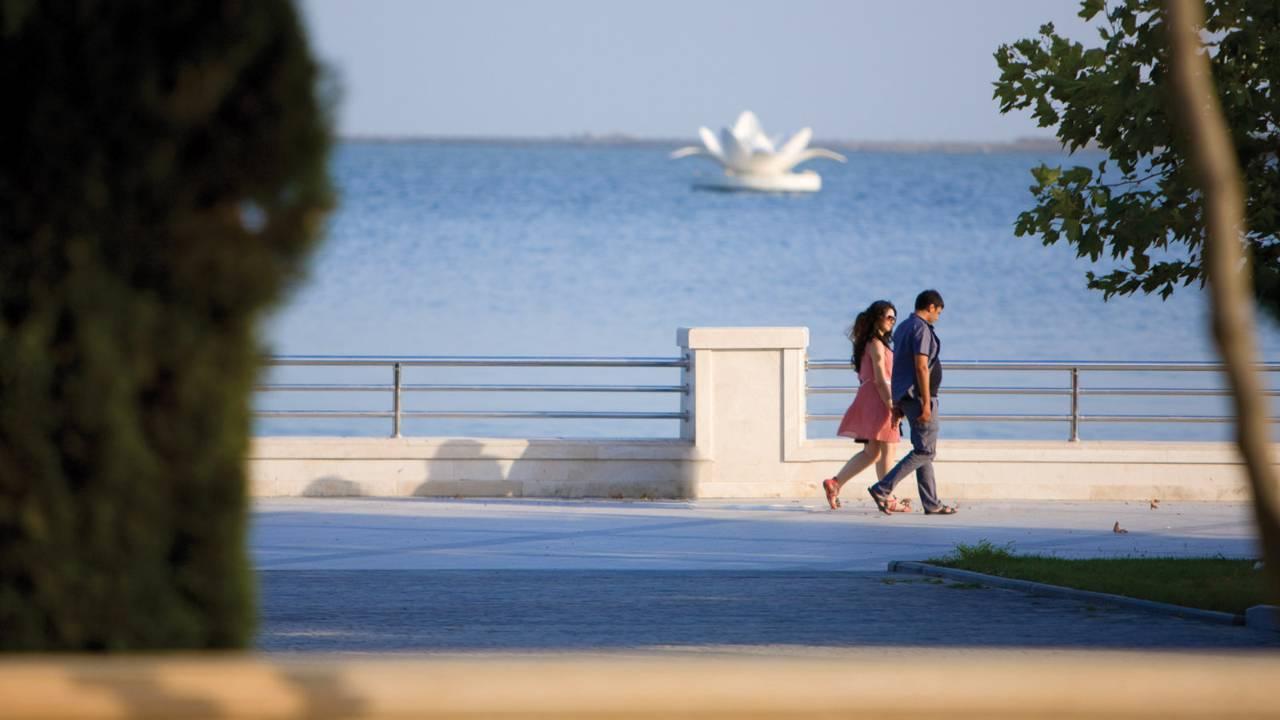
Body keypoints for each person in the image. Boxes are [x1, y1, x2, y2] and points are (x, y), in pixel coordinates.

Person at [867, 289, 957, 515]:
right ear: (931, 307)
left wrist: (898, 402)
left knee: (923, 450)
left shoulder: (903, 327)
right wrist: (926, 402)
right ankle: (882, 488)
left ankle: (932, 504)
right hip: (919, 397)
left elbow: (898, 365)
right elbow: (920, 366)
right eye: (938, 312)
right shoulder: (921, 328)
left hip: (906, 396)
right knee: (925, 451)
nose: (937, 317)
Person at [820, 301, 910, 511]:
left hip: (870, 397)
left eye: (894, 318)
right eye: (888, 317)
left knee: (872, 452)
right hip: (880, 398)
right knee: (888, 449)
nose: (892, 321)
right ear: (877, 318)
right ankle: (886, 497)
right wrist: (892, 405)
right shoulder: (876, 344)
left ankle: (835, 483)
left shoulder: (870, 342)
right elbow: (880, 378)